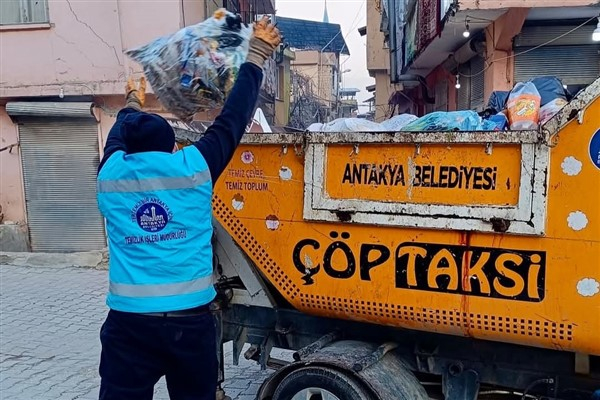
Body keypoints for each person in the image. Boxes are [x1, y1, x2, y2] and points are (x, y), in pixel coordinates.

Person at [96, 16, 281, 400]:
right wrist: (258, 54)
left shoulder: (110, 175)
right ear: (172, 146)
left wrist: (132, 101)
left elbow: (118, 133)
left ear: (126, 148)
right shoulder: (195, 166)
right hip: (191, 324)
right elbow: (234, 118)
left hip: (129, 327)